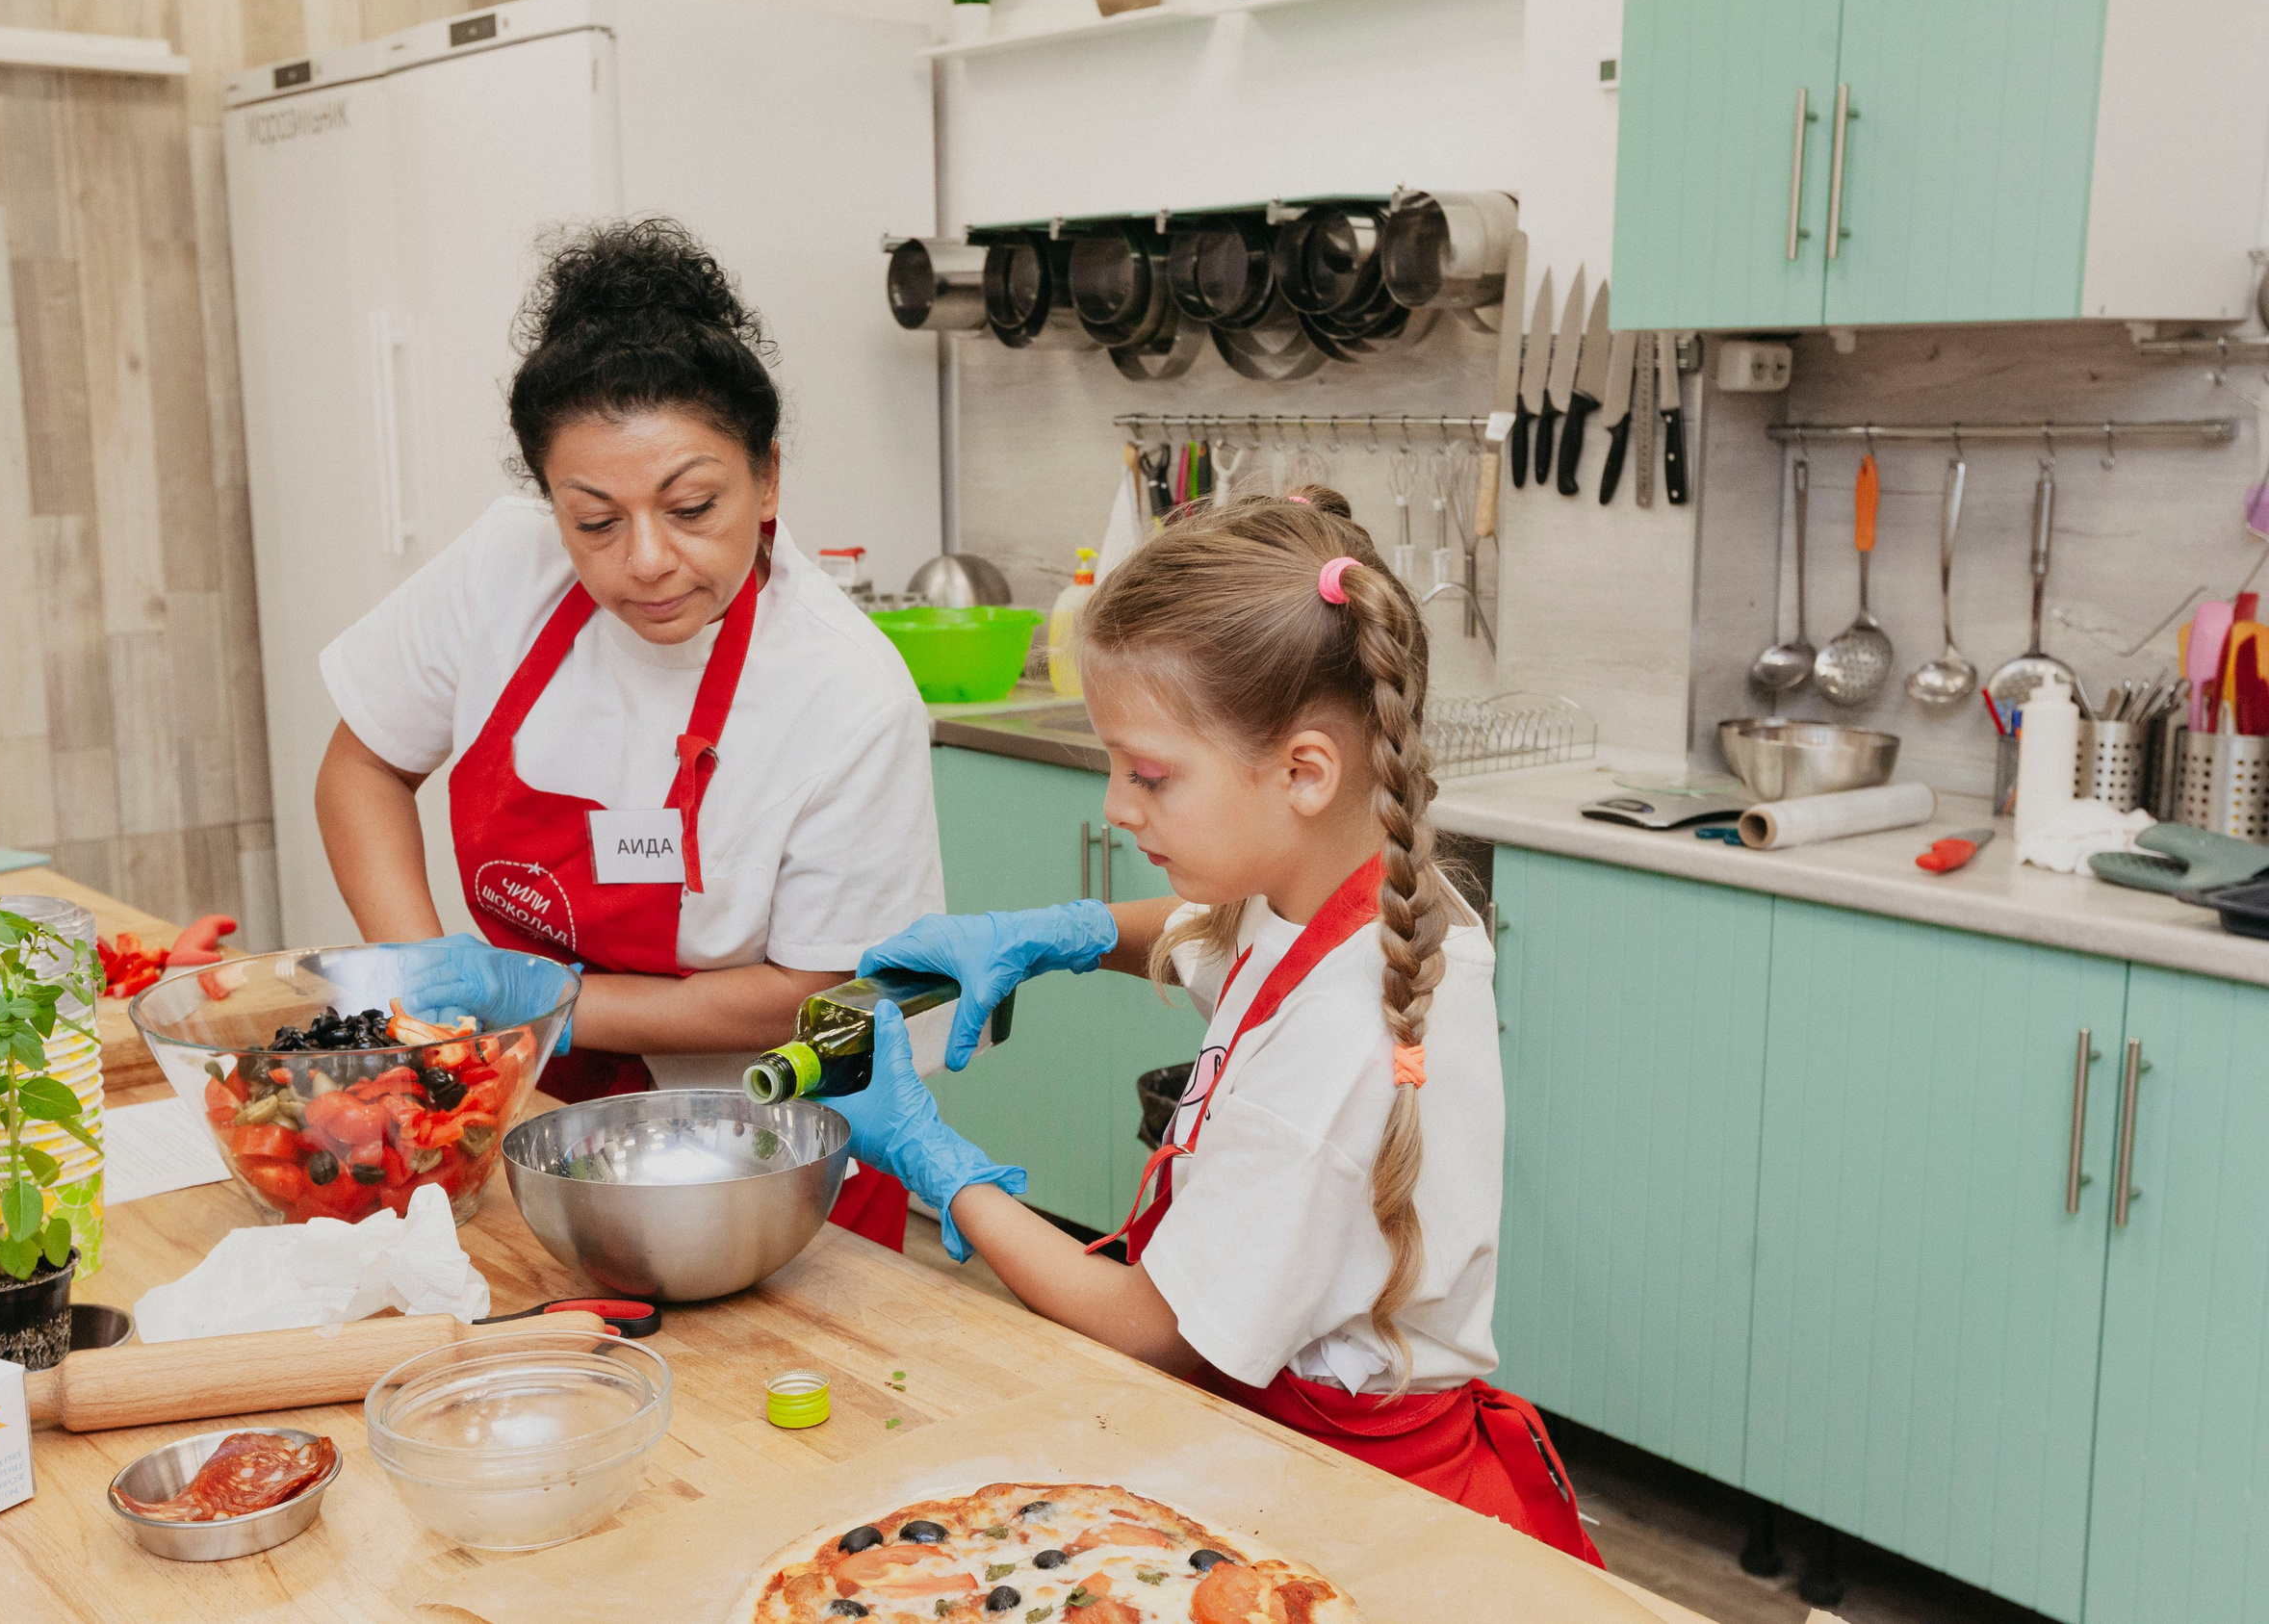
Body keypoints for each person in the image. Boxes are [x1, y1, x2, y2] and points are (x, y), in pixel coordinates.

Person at [820, 489, 1601, 1560]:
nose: (1116, 807)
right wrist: (1061, 931)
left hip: (1350, 1508)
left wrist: (937, 1167)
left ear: (1303, 773)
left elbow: (1153, 1332)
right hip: (1293, 1449)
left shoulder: (1338, 1049)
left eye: (1148, 774)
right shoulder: (1348, 900)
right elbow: (1217, 942)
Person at [309, 219, 941, 1248]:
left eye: (693, 506)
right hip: (515, 1106)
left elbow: (819, 991)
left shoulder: (845, 690)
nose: (646, 559)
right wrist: (429, 977)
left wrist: (535, 1000)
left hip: (763, 1147)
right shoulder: (502, 570)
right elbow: (364, 763)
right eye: (594, 520)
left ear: (768, 477)